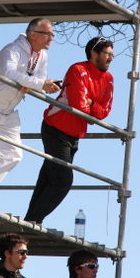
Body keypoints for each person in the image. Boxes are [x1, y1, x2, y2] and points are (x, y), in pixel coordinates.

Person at [0, 18, 60, 207]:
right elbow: (9, 73)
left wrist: (31, 84)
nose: (51, 38)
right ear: (33, 34)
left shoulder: (43, 56)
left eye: (52, 34)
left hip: (8, 109)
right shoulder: (13, 49)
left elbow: (40, 79)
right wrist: (34, 84)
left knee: (14, 154)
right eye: (47, 34)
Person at [24, 37, 114, 224]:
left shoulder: (109, 79)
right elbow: (79, 106)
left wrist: (91, 104)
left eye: (113, 54)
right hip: (55, 128)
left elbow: (105, 111)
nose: (111, 58)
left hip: (75, 135)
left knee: (49, 178)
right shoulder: (78, 69)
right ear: (94, 54)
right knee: (63, 180)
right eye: (107, 53)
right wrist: (91, 106)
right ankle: (34, 220)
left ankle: (29, 221)